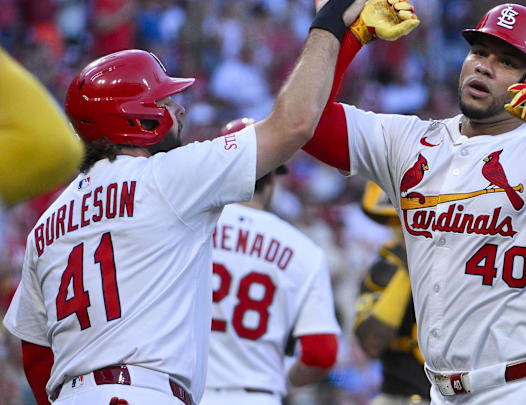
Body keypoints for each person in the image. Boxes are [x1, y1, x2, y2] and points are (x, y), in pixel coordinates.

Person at [302, 3, 526, 404]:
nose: (485, 67)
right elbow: (305, 125)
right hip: (441, 391)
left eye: (508, 61)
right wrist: (346, 39)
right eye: (479, 52)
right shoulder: (408, 140)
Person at [1, 1, 370, 404]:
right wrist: (330, 25)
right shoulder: (170, 177)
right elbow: (294, 125)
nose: (178, 108)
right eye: (164, 101)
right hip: (147, 392)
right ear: (137, 118)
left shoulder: (47, 222)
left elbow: (36, 355)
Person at [201, 119, 341, 405]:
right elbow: (321, 352)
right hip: (257, 394)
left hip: (184, 392)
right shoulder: (303, 249)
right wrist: (283, 379)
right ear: (272, 176)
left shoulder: (187, 230)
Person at [354, 181, 431, 404]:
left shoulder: (461, 268)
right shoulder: (382, 270)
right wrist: (406, 273)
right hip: (397, 396)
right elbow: (371, 343)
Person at [0, 45, 84, 217]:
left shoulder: (61, 85)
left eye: (45, 60)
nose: (42, 65)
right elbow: (59, 148)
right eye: (36, 60)